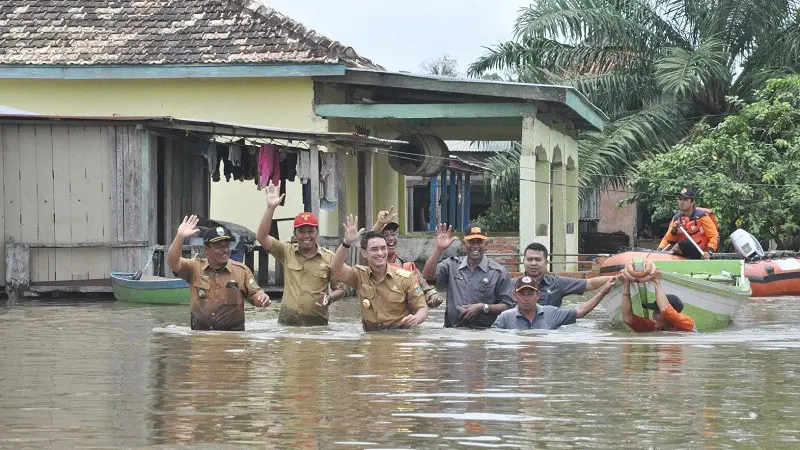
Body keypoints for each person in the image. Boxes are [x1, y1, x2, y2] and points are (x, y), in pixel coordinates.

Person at [255, 181, 347, 326]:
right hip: (286, 324)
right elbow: (261, 237)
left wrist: (329, 298)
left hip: (316, 326)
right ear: (295, 234)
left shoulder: (330, 258)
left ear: (317, 233)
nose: (306, 236)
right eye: (301, 231)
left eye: (310, 231)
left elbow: (340, 289)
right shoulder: (286, 252)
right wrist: (271, 208)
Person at [167, 215, 270, 331]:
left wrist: (262, 298)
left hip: (232, 340)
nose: (225, 250)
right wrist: (180, 237)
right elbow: (172, 262)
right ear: (206, 250)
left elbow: (255, 294)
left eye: (227, 245)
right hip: (200, 339)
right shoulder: (194, 267)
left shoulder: (241, 271)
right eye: (218, 246)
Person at [331, 215, 428, 331]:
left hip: (398, 338)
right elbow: (336, 268)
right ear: (364, 253)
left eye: (383, 248)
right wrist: (347, 243)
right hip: (370, 338)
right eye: (374, 249)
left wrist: (416, 319)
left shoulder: (406, 278)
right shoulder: (360, 276)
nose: (380, 253)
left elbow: (422, 308)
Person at [421, 222, 515, 329]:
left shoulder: (499, 272)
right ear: (463, 243)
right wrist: (439, 249)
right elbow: (427, 276)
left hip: (484, 334)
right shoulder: (451, 265)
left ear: (486, 244)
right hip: (453, 332)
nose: (475, 246)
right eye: (471, 241)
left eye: (479, 241)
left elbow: (508, 306)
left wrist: (484, 307)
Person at [371, 205, 442, 308]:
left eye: (393, 234)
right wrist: (379, 223)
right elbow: (367, 243)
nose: (391, 238)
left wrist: (433, 296)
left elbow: (425, 288)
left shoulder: (408, 268)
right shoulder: (371, 266)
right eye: (386, 235)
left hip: (404, 320)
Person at [491, 276, 616, 330]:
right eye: (522, 294)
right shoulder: (505, 317)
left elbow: (581, 312)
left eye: (530, 294)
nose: (526, 298)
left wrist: (603, 292)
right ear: (515, 297)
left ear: (538, 295)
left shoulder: (551, 312)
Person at [521, 242, 617, 307]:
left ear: (546, 262)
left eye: (538, 260)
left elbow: (590, 283)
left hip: (550, 333)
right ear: (523, 261)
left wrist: (618, 277)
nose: (533, 263)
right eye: (529, 259)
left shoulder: (557, 283)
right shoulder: (512, 284)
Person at [620, 270, 697, 332]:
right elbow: (627, 319)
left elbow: (665, 310)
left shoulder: (687, 324)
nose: (653, 315)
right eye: (654, 311)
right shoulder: (657, 328)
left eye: (657, 312)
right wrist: (626, 285)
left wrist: (656, 281)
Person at [657, 187, 719, 260]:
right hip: (685, 253)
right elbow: (668, 239)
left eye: (685, 199)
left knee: (683, 243)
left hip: (702, 254)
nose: (682, 202)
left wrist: (709, 252)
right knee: (682, 244)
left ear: (692, 202)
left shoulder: (702, 217)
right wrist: (659, 249)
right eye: (680, 199)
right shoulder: (676, 218)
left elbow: (714, 236)